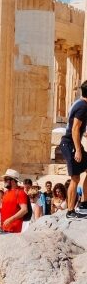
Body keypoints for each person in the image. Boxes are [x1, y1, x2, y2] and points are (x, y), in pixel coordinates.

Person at [59, 80, 87, 219]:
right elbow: (75, 128)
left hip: (73, 142)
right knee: (75, 177)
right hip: (69, 144)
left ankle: (84, 203)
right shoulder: (83, 107)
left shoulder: (79, 103)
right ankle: (70, 211)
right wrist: (78, 149)